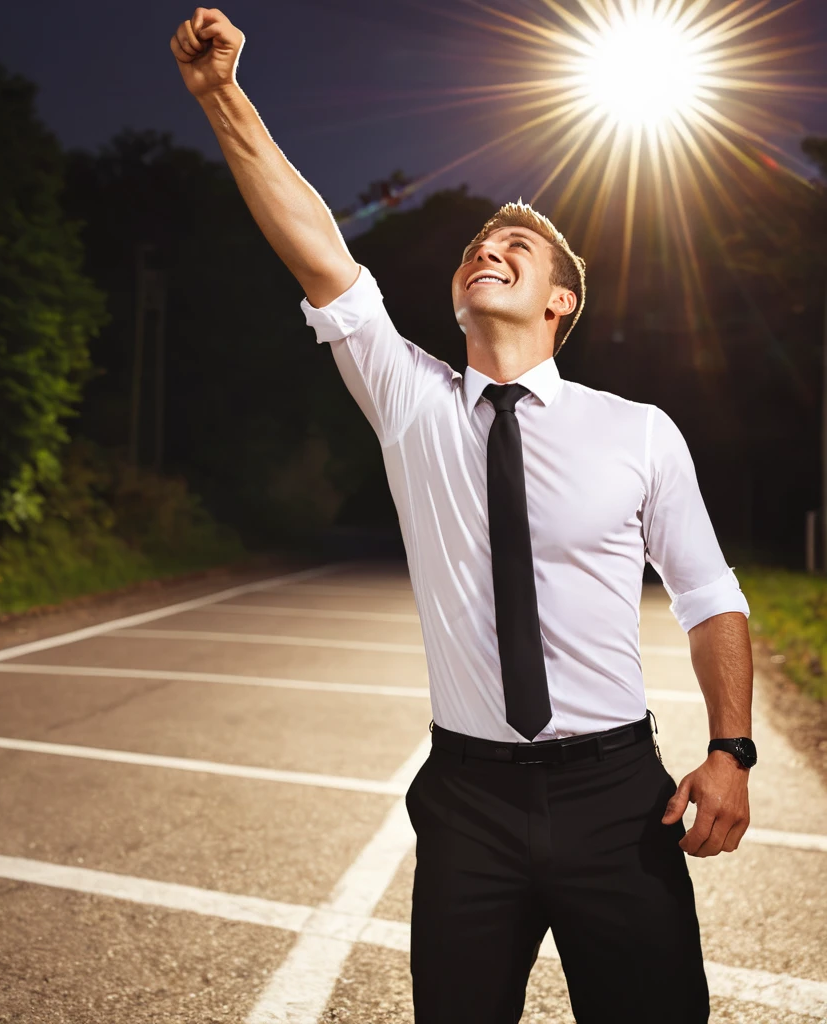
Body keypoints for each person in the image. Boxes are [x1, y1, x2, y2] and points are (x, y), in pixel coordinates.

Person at [171, 9, 757, 1022]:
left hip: (615, 793)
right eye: (480, 243)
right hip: (468, 799)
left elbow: (708, 595)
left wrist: (731, 749)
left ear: (559, 303)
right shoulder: (410, 400)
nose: (490, 246)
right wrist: (222, 95)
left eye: (517, 244)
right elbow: (316, 247)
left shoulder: (638, 432)